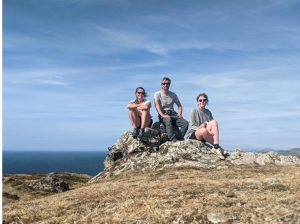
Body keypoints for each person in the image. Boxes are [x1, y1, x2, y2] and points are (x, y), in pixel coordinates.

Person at [184, 93, 225, 158]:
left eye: (204, 100)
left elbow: (211, 125)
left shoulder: (208, 112)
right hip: (193, 133)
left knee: (214, 122)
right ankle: (217, 147)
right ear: (197, 102)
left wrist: (205, 124)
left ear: (206, 101)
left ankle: (216, 146)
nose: (202, 102)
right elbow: (191, 126)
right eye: (200, 100)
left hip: (205, 134)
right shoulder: (194, 111)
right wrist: (199, 128)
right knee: (203, 130)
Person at [154, 77, 188, 141]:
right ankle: (172, 139)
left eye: (167, 83)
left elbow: (179, 106)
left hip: (173, 113)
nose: (165, 85)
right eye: (163, 83)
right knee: (168, 119)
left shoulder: (173, 94)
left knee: (185, 123)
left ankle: (180, 137)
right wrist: (162, 115)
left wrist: (179, 114)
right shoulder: (157, 94)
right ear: (161, 84)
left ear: (170, 84)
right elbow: (157, 105)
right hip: (163, 112)